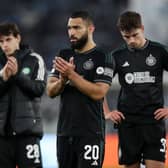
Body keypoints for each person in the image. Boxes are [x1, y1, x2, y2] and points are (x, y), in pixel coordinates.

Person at [46, 11, 113, 168]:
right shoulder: (64, 54)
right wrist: (62, 80)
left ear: (91, 29)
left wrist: (71, 75)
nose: (72, 32)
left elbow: (99, 92)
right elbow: (50, 91)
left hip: (91, 133)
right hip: (65, 132)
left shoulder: (103, 56)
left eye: (77, 27)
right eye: (69, 28)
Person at [103, 11, 168, 168]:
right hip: (128, 124)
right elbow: (99, 86)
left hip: (154, 123)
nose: (131, 40)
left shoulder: (160, 51)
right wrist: (107, 112)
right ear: (121, 34)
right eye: (126, 37)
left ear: (142, 28)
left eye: (135, 35)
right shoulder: (116, 56)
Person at [0, 22, 46, 168]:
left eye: (8, 39)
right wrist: (4, 80)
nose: (4, 45)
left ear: (18, 38)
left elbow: (39, 89)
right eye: (1, 41)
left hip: (27, 134)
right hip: (2, 137)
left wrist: (17, 76)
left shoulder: (34, 59)